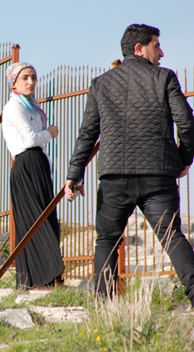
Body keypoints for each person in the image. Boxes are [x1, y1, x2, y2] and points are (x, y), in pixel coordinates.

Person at [65, 24, 194, 307]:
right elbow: (186, 122)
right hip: (157, 175)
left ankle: (104, 307)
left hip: (114, 178)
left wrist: (74, 174)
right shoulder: (165, 78)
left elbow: (88, 133)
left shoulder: (101, 83)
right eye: (156, 45)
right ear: (139, 48)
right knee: (171, 237)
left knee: (107, 240)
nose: (162, 52)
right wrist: (184, 159)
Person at [2, 62, 63, 290]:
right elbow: (29, 140)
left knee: (44, 218)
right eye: (25, 78)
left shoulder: (30, 105)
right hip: (26, 163)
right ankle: (37, 279)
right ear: (14, 82)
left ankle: (45, 278)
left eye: (34, 77)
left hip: (37, 163)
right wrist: (50, 133)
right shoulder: (14, 107)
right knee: (34, 222)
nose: (31, 82)